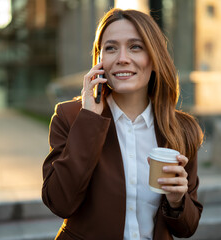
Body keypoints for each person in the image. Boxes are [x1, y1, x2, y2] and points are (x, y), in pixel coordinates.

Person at [42, 8, 204, 240]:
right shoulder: (70, 116)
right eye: (111, 48)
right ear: (100, 61)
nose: (122, 58)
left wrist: (178, 201)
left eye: (135, 47)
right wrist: (89, 121)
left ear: (155, 59)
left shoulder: (181, 129)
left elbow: (187, 228)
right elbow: (59, 202)